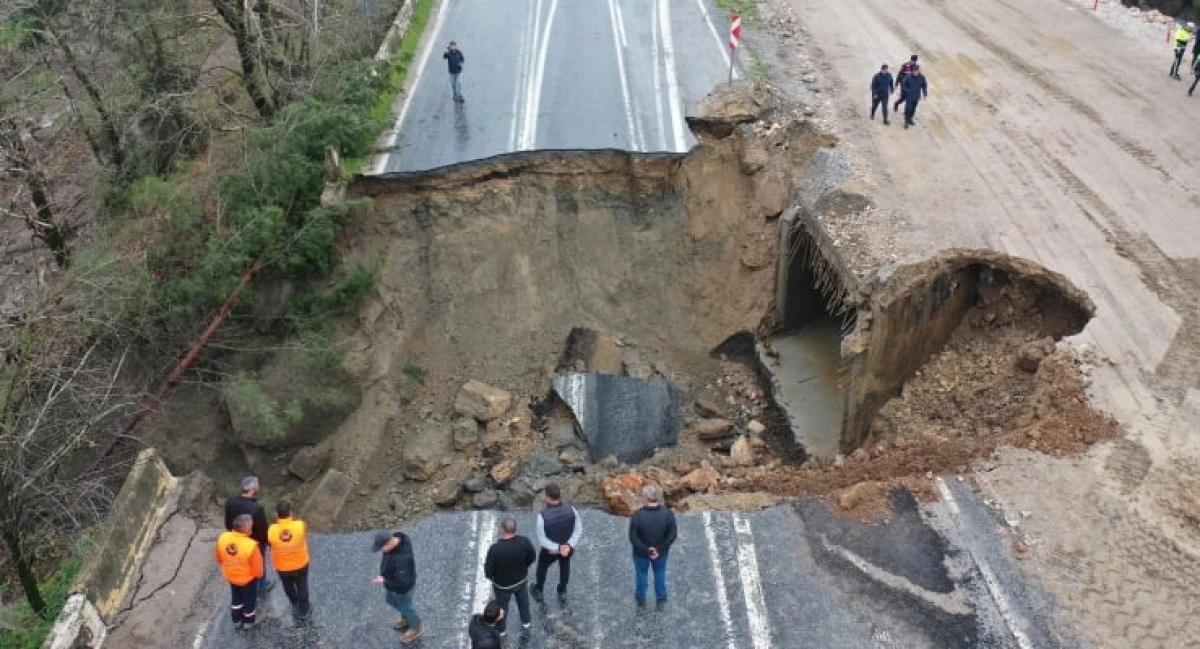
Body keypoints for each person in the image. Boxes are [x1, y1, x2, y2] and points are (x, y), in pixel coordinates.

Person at [483, 518, 536, 636]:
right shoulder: (524, 542)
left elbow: (488, 570)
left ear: (502, 530)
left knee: (502, 608)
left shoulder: (495, 549)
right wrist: (524, 567)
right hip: (521, 581)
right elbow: (532, 557)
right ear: (515, 529)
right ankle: (526, 623)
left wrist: (491, 577)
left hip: (502, 586)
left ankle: (501, 631)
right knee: (523, 603)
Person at [532, 483, 582, 602]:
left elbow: (542, 539)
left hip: (551, 551)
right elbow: (578, 530)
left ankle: (539, 590)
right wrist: (568, 545)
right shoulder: (572, 510)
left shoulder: (542, 517)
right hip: (568, 548)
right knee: (565, 567)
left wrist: (558, 547)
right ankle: (562, 591)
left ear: (547, 497)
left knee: (542, 569)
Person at [628, 484, 677, 607]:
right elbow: (672, 535)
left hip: (641, 553)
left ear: (645, 498)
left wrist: (647, 550)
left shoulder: (638, 515)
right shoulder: (667, 514)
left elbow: (633, 538)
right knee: (660, 573)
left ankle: (640, 597)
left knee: (641, 574)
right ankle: (661, 597)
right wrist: (659, 549)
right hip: (661, 552)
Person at [373, 530, 424, 644]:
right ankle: (406, 618)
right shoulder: (397, 539)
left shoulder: (402, 560)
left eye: (382, 547)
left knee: (406, 607)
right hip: (393, 583)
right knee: (390, 600)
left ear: (389, 543)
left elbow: (403, 583)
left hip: (402, 589)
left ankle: (416, 628)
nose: (382, 550)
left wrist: (384, 580)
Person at [224, 476, 273, 594]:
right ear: (253, 489)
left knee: (244, 563)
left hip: (236, 538)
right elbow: (262, 530)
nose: (258, 486)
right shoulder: (256, 508)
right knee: (258, 564)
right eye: (257, 485)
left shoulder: (230, 501)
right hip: (254, 543)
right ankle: (261, 586)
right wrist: (268, 542)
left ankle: (247, 582)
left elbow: (227, 521)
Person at [215, 514, 264, 630]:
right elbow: (258, 569)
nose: (252, 527)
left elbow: (218, 558)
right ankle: (249, 621)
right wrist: (258, 576)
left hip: (231, 577)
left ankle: (236, 620)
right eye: (251, 526)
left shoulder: (223, 538)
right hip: (247, 580)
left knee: (236, 598)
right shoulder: (251, 546)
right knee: (249, 600)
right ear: (246, 528)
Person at [267, 502, 311, 623]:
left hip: (282, 566)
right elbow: (304, 535)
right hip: (300, 564)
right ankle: (304, 610)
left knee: (288, 586)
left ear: (277, 515)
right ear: (290, 513)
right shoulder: (300, 525)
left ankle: (294, 603)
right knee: (302, 586)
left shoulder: (271, 530)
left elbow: (270, 544)